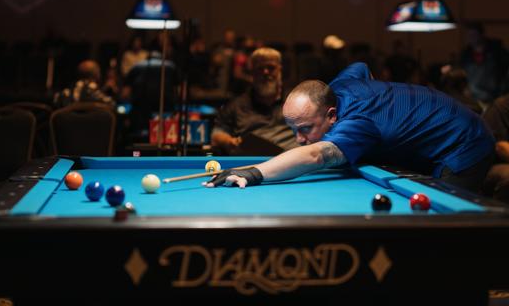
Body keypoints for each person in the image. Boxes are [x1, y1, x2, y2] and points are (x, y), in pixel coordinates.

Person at [206, 60, 495, 193]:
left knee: (441, 226)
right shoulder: (338, 87)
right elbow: (360, 65)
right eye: (293, 129)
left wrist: (255, 172)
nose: (299, 139)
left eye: (305, 128)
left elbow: (316, 155)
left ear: (332, 115)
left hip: (465, 142)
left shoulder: (357, 123)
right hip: (437, 130)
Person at [210, 47, 298, 155]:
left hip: (293, 160)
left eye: (271, 67)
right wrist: (229, 141)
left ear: (280, 69)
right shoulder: (236, 105)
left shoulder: (297, 101)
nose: (265, 72)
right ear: (252, 72)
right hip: (252, 162)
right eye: (260, 68)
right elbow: (217, 132)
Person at [460, 21, 509, 106]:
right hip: (475, 100)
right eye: (469, 35)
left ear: (481, 35)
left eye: (474, 34)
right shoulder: (466, 55)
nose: (471, 38)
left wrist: (502, 92)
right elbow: (462, 73)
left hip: (496, 98)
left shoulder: (497, 52)